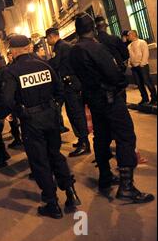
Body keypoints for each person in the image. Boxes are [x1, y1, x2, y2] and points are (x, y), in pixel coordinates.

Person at [69, 12, 154, 203]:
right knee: (125, 137)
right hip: (109, 99)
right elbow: (113, 74)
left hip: (93, 100)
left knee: (101, 137)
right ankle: (127, 187)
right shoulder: (95, 48)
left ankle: (105, 176)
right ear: (93, 29)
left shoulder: (74, 50)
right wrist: (121, 81)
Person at [0, 35, 81, 219]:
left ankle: (52, 204)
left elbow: (6, 100)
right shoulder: (44, 65)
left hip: (31, 121)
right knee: (55, 154)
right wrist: (54, 108)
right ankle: (70, 192)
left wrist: (17, 112)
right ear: (28, 47)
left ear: (12, 51)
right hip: (50, 117)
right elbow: (59, 91)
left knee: (40, 161)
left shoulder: (12, 71)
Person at [46, 27, 91, 157]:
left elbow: (54, 64)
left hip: (71, 85)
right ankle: (82, 140)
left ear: (51, 36)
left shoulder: (61, 47)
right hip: (68, 85)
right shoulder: (62, 46)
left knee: (77, 114)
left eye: (48, 39)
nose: (48, 41)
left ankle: (84, 143)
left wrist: (42, 64)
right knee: (73, 114)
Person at [127, 30, 157, 105]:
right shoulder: (129, 46)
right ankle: (144, 98)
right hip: (134, 67)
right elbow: (130, 56)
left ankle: (154, 98)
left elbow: (145, 53)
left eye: (129, 35)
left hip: (142, 66)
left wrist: (142, 63)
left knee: (147, 81)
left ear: (133, 35)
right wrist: (130, 64)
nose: (128, 37)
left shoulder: (142, 42)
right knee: (139, 83)